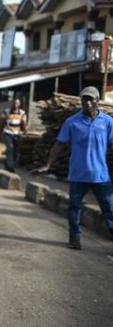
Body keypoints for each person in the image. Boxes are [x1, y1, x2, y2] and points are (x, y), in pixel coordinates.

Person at [33, 86, 113, 250]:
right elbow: (59, 145)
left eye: (91, 99)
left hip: (101, 176)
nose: (88, 102)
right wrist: (48, 165)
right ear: (81, 101)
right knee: (74, 208)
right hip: (78, 175)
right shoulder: (72, 122)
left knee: (109, 209)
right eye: (85, 99)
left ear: (98, 101)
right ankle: (74, 238)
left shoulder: (107, 122)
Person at [0, 98, 27, 172]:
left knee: (15, 150)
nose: (15, 105)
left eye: (17, 103)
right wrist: (0, 132)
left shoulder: (22, 113)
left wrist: (25, 131)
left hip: (17, 134)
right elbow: (2, 122)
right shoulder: (7, 111)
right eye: (14, 103)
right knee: (10, 148)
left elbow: (23, 124)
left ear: (19, 105)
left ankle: (8, 165)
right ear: (12, 104)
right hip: (8, 132)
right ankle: (10, 166)